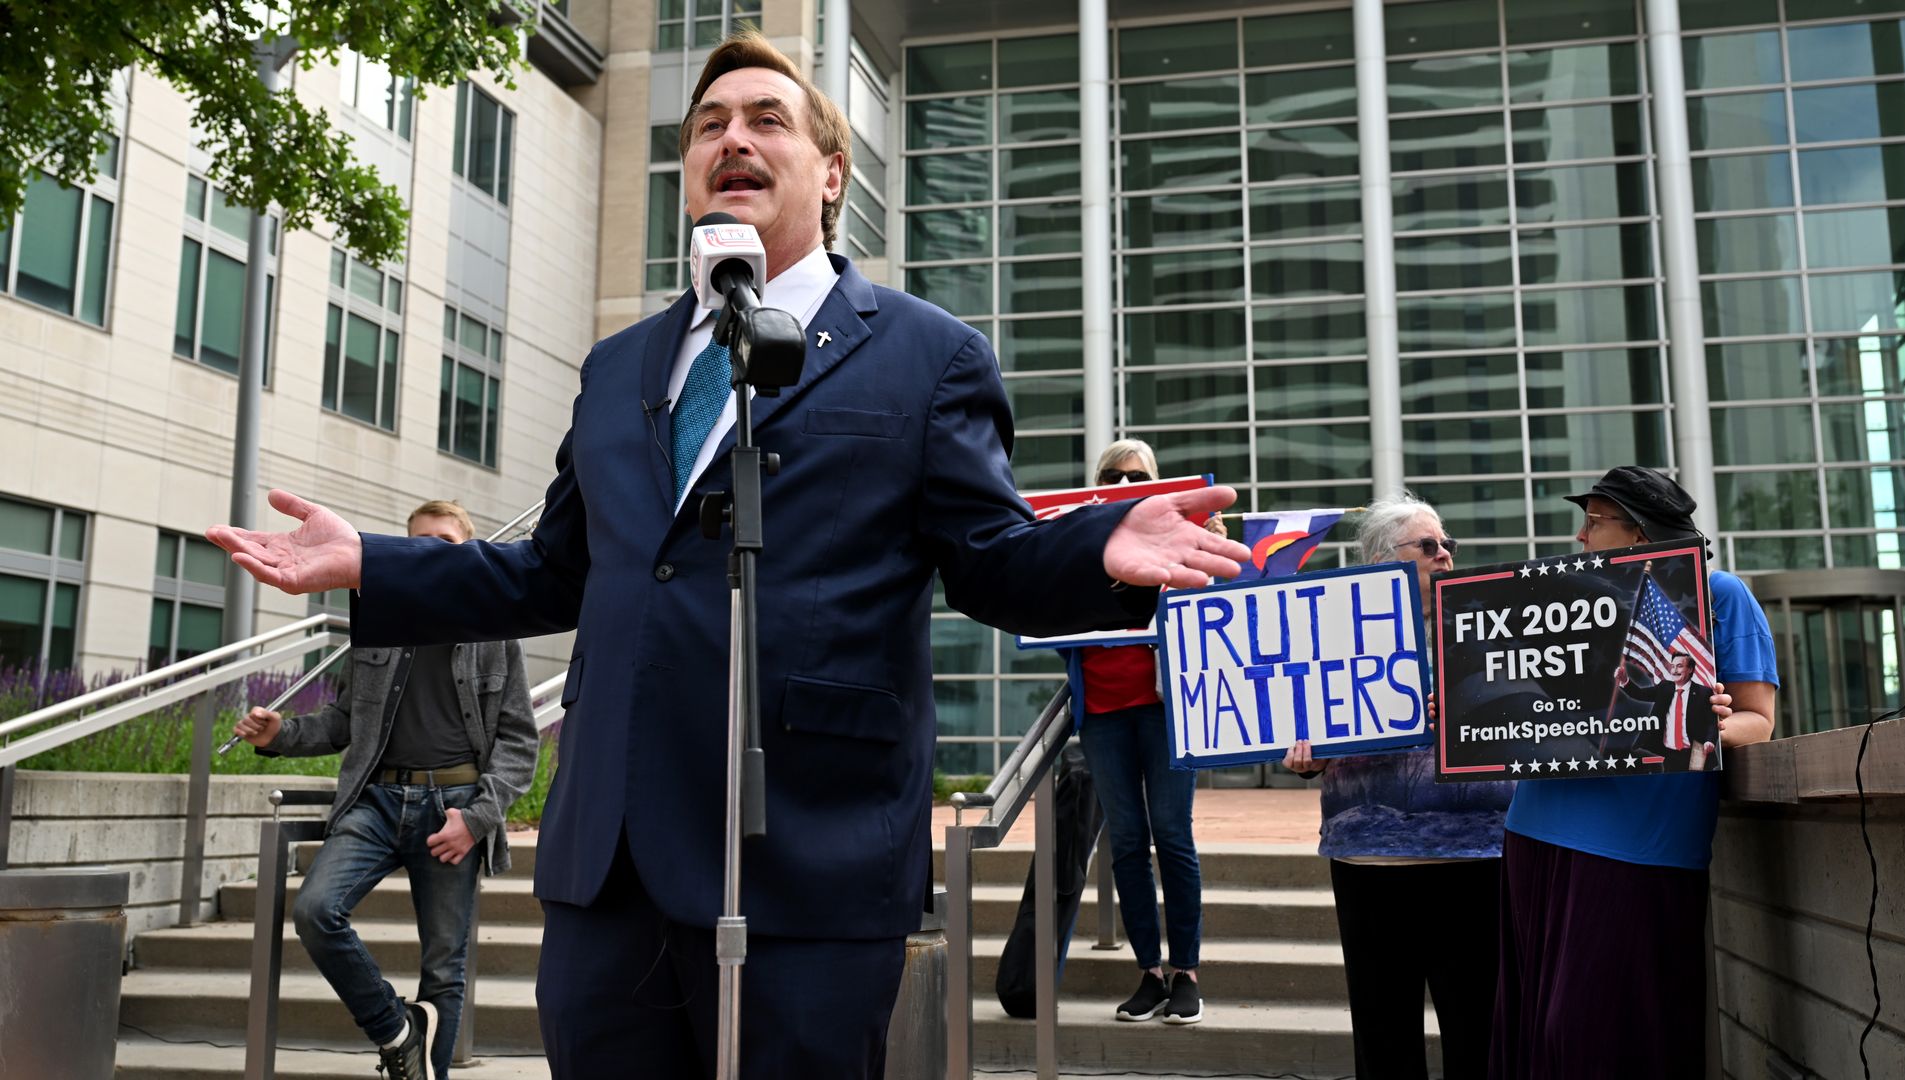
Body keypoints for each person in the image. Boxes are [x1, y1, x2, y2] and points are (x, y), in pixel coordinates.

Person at [206, 31, 1247, 1080]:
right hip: (610, 871)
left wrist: (1102, 548)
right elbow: (552, 573)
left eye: (765, 121)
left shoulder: (929, 356)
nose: (731, 139)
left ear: (831, 175)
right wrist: (372, 565)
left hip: (808, 857)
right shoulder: (618, 370)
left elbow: (989, 558)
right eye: (709, 125)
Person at [228, 500, 538, 1080]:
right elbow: (345, 721)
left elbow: (521, 743)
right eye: (418, 541)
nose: (430, 551)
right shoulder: (381, 620)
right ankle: (397, 1028)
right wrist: (281, 733)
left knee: (444, 970)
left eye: (444, 541)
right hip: (374, 804)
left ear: (468, 551)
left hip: (454, 812)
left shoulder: (496, 631)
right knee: (317, 911)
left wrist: (478, 818)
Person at [1490, 465, 1776, 1078]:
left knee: (1600, 1030)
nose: (1579, 537)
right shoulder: (1558, 599)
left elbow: (1758, 720)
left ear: (1641, 536)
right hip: (1535, 827)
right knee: (1536, 1026)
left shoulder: (1721, 595)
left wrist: (1701, 720)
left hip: (1641, 844)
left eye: (1593, 522)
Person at [1280, 494, 1514, 1080]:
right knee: (1384, 1034)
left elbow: (1531, 718)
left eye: (1448, 546)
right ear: (1383, 561)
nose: (1445, 557)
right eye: (1429, 547)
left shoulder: (1491, 626)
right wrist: (1304, 755)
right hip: (1369, 859)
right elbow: (1302, 725)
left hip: (1476, 853)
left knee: (1480, 1028)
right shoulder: (1329, 636)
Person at [1065, 439, 1224, 1026]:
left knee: (1172, 837)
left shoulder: (1175, 542)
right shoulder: (1079, 545)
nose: (1127, 483)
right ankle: (1149, 973)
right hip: (1103, 713)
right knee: (1127, 846)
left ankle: (1187, 972)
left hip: (1165, 712)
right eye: (1114, 475)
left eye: (1139, 476)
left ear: (1155, 484)